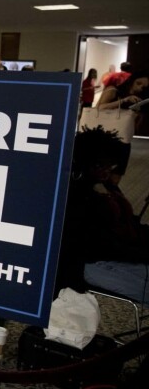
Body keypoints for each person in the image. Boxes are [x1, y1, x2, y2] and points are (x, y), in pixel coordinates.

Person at [57, 128, 149, 304]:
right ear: (85, 163)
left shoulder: (106, 186)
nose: (108, 170)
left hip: (122, 254)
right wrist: (141, 252)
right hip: (92, 263)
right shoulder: (76, 196)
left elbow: (126, 224)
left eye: (110, 165)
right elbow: (99, 246)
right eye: (101, 165)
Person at [96, 70, 149, 183]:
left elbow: (135, 128)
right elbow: (99, 108)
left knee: (115, 178)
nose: (139, 88)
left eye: (143, 86)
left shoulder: (139, 99)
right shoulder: (113, 90)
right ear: (131, 81)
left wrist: (138, 114)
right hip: (104, 139)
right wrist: (124, 100)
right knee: (98, 176)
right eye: (138, 83)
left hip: (122, 141)